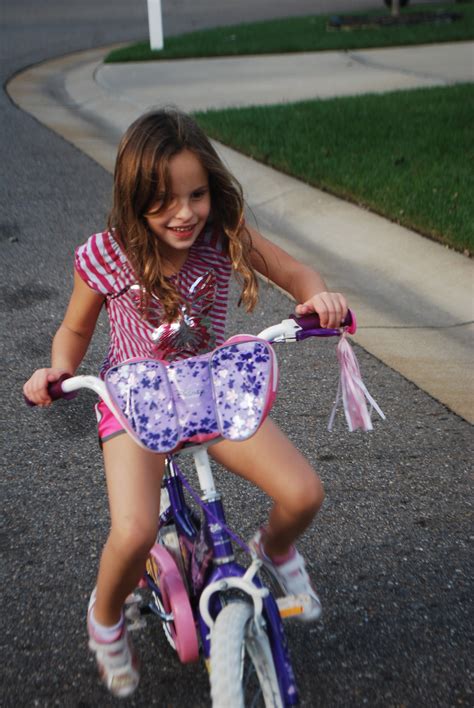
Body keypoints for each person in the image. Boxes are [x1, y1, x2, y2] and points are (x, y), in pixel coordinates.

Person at [23, 109, 348, 698]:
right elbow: (73, 332)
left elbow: (296, 272)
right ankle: (104, 618)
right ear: (133, 199)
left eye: (197, 194)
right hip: (134, 398)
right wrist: (61, 371)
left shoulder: (224, 234)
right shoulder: (108, 255)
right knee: (135, 529)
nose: (184, 213)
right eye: (164, 200)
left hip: (209, 385)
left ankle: (270, 549)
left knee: (303, 493)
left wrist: (316, 295)